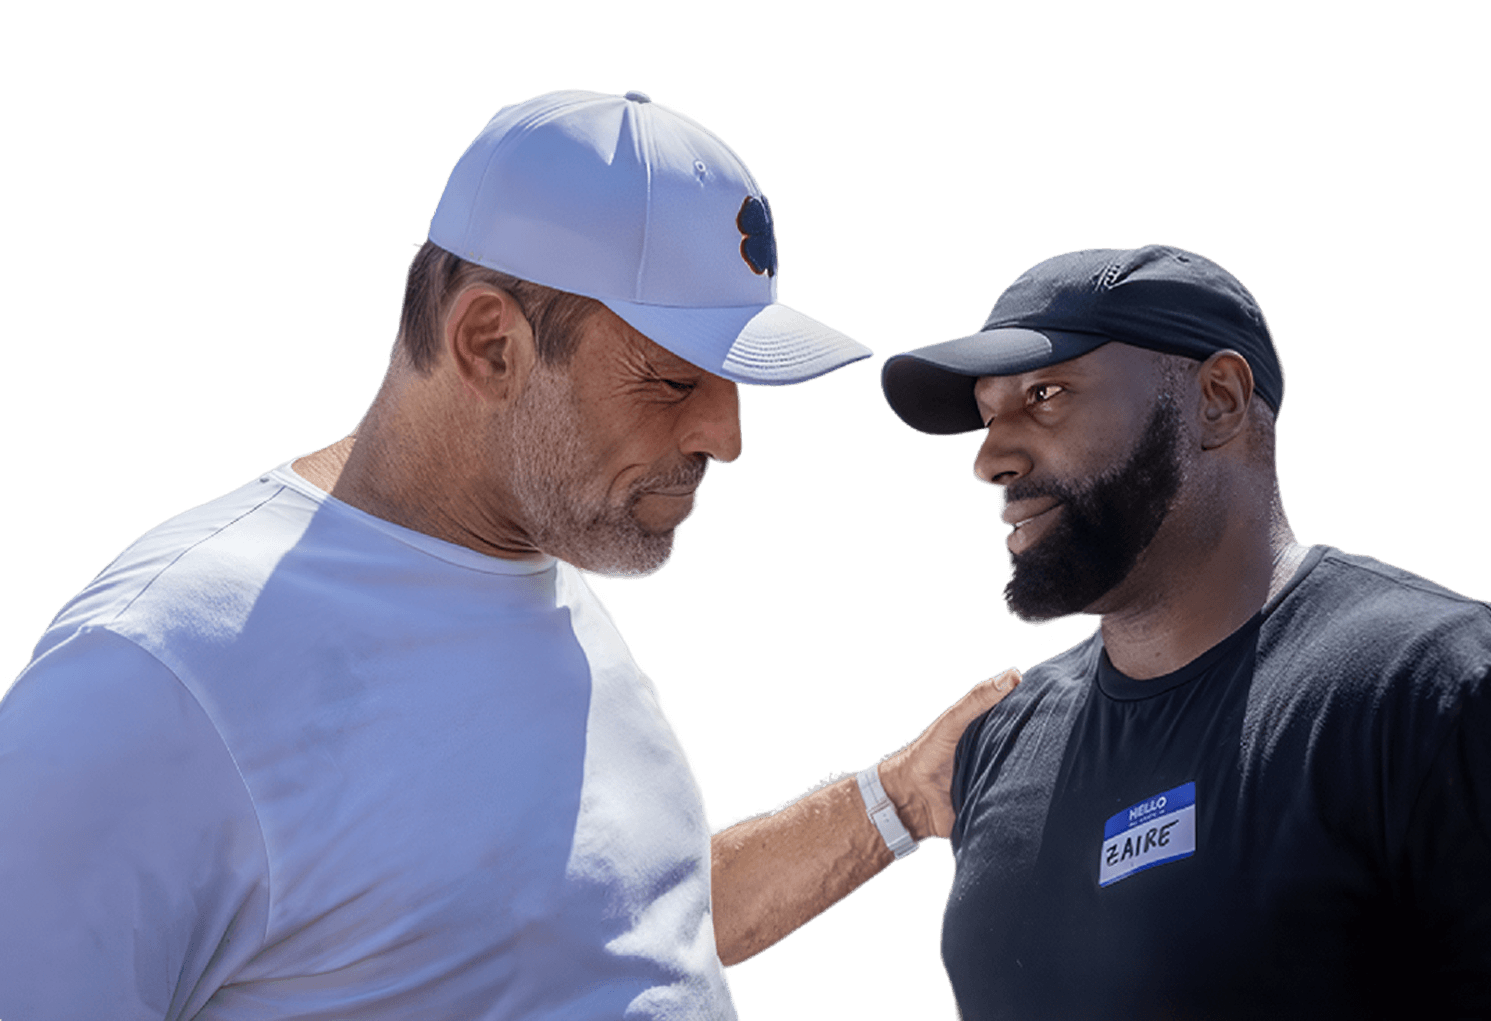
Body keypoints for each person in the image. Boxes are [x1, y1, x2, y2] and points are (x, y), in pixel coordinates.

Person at [0, 89, 1018, 1019]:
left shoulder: (539, 574)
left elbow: (608, 932)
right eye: (673, 381)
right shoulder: (154, 673)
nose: (730, 436)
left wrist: (894, 799)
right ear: (490, 344)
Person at [878, 243, 1491, 1019]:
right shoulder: (1005, 739)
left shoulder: (1433, 688)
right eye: (986, 415)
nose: (990, 459)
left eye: (1044, 393)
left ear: (1218, 400)